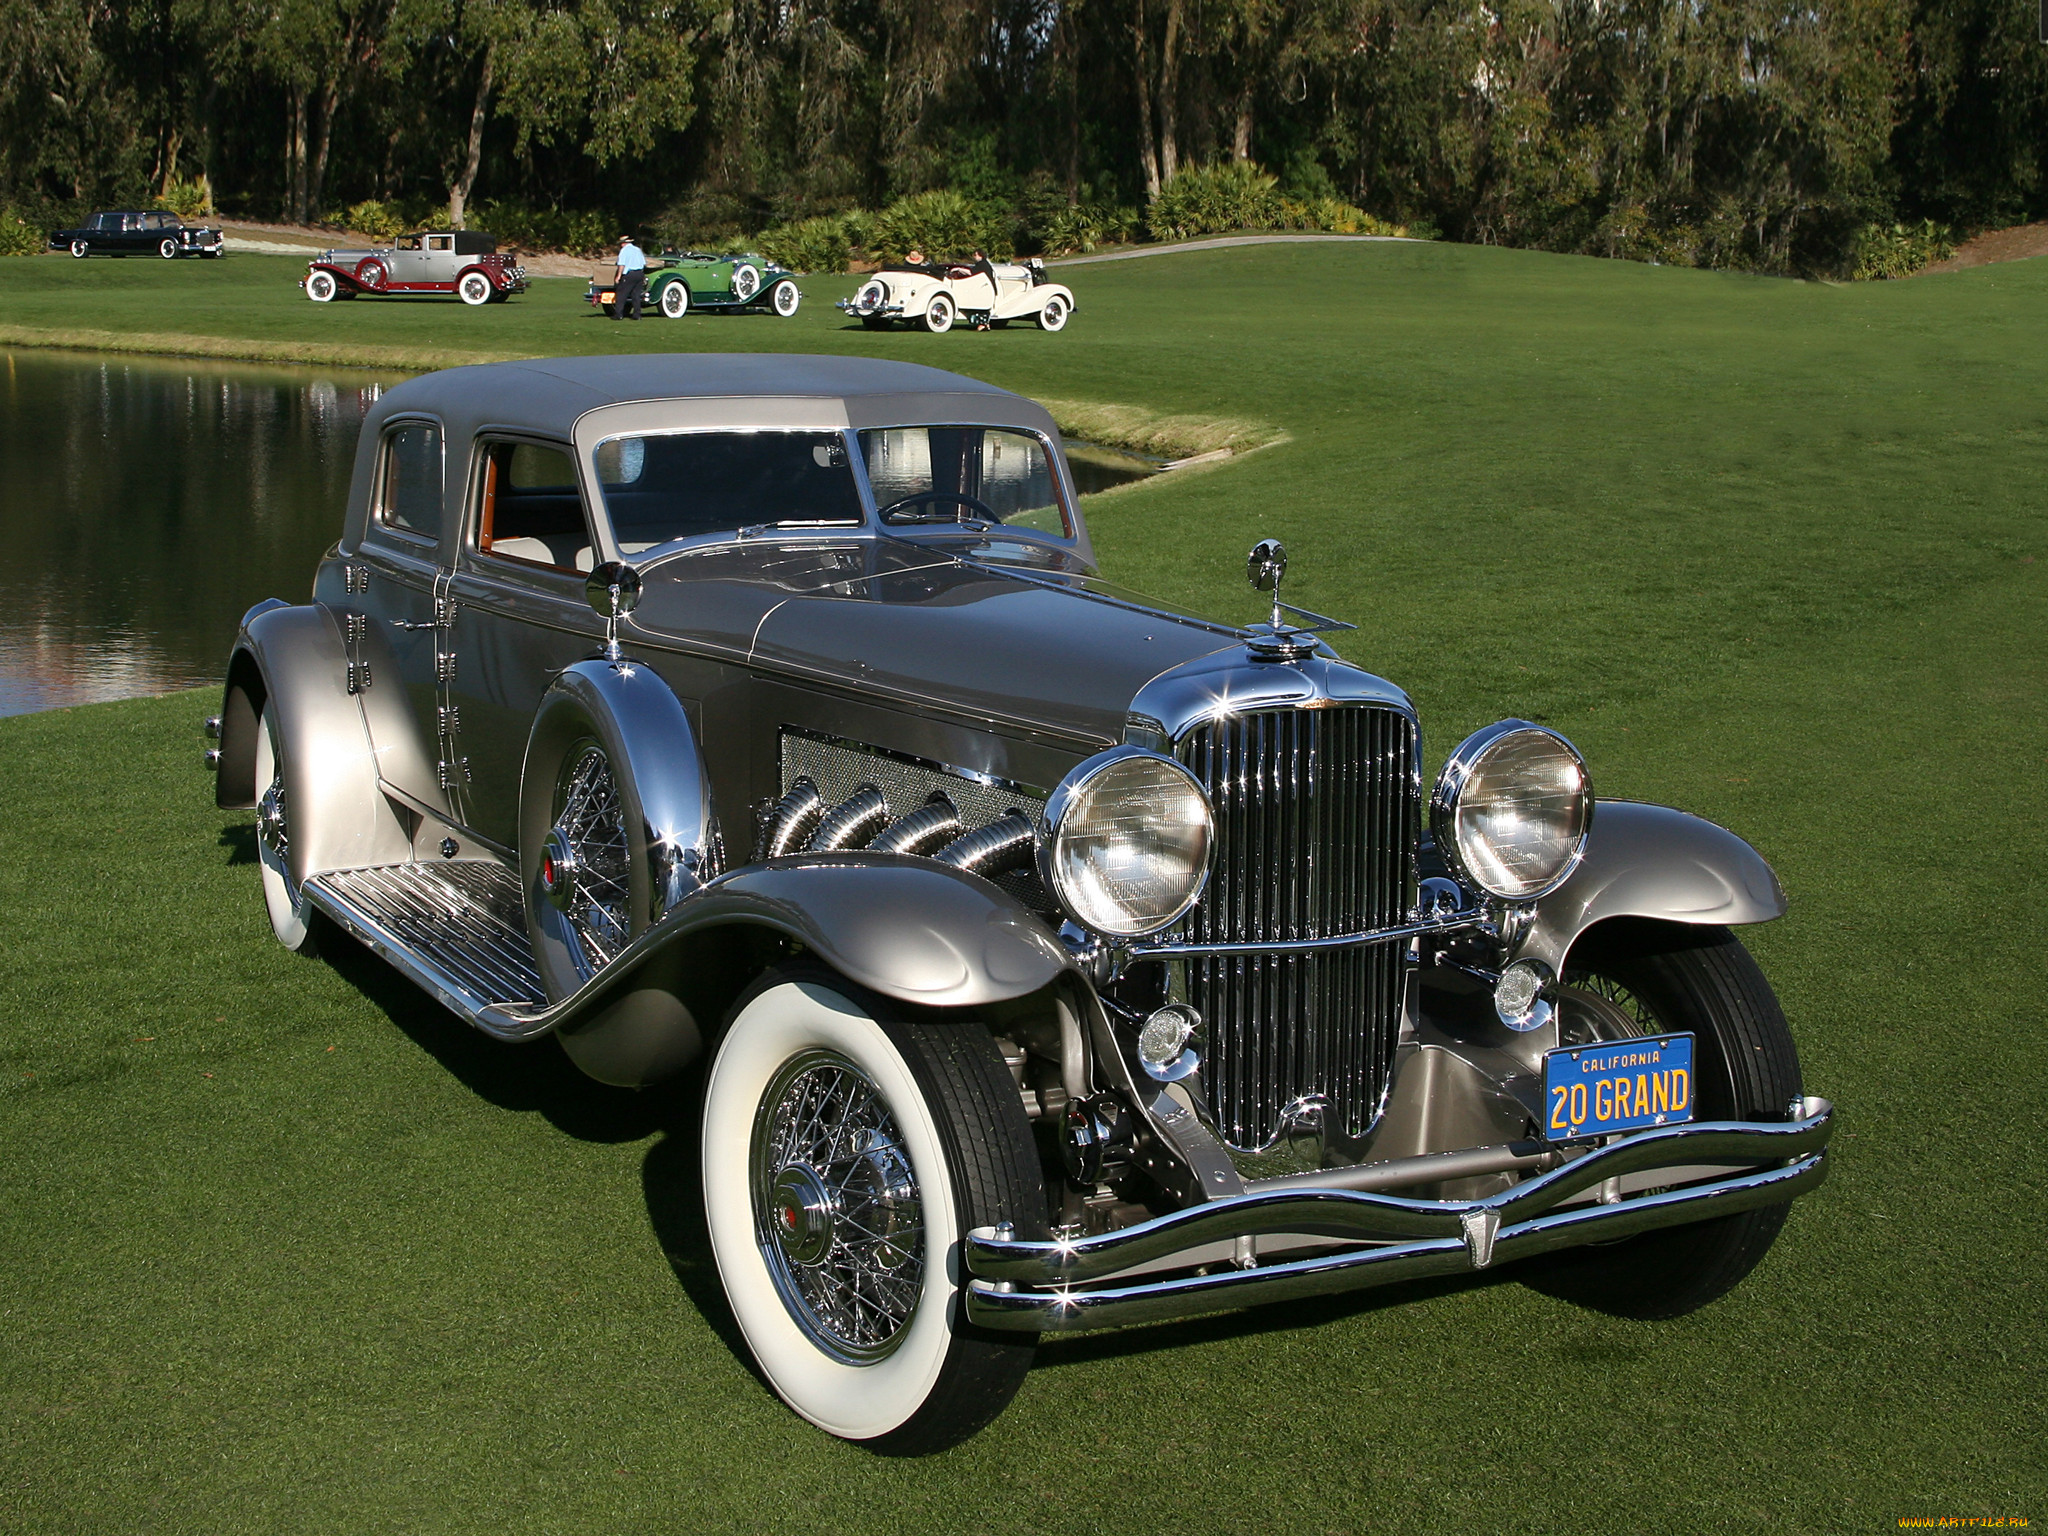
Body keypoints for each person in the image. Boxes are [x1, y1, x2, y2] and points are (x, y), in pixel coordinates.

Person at [613, 234, 647, 320]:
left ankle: (619, 314)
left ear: (623, 243)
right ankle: (637, 314)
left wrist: (618, 276)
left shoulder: (624, 251)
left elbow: (621, 264)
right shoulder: (638, 250)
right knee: (636, 295)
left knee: (621, 294)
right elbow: (643, 263)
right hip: (639, 273)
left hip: (629, 274)